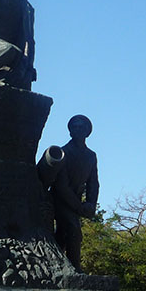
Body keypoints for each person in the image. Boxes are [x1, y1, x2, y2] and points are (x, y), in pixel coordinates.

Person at [49, 115, 99, 271]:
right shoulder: (64, 152)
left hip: (76, 201)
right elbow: (61, 186)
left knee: (62, 235)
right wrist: (79, 207)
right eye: (74, 127)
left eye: (81, 127)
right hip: (60, 200)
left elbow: (93, 183)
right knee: (74, 230)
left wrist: (91, 203)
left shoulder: (91, 156)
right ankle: (75, 268)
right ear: (70, 131)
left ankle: (56, 265)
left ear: (87, 132)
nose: (77, 130)